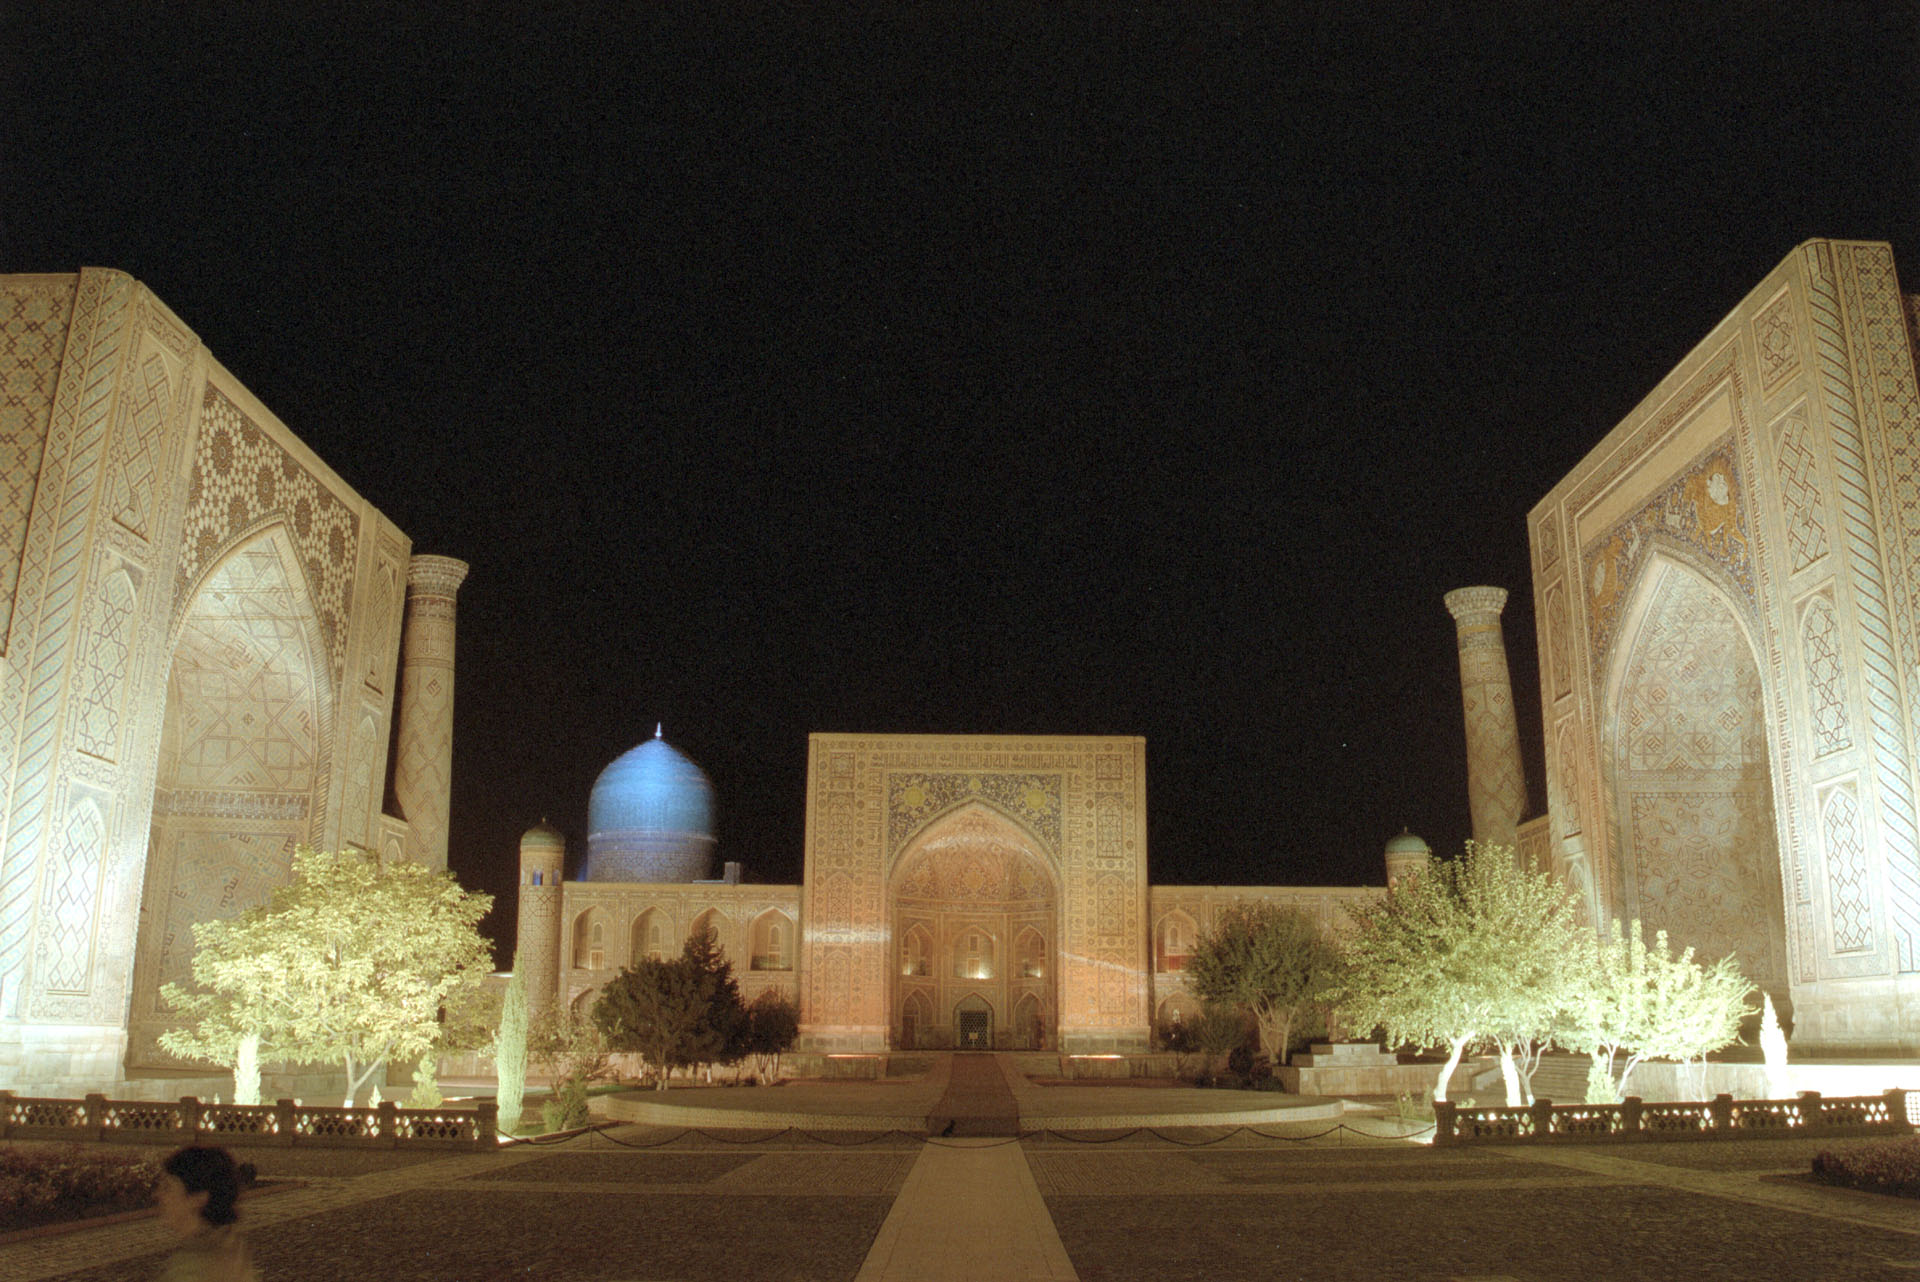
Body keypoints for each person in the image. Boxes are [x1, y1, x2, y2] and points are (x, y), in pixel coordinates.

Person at [154, 1146, 261, 1282]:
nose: (158, 1195)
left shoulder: (192, 1268)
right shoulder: (230, 1243)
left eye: (167, 1187)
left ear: (198, 1199)